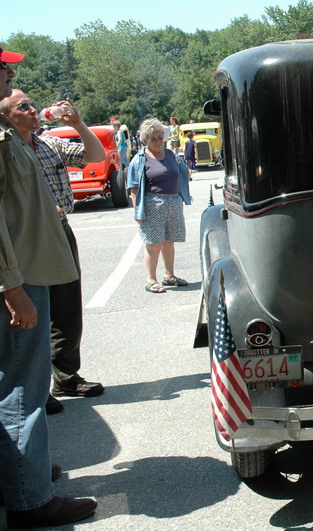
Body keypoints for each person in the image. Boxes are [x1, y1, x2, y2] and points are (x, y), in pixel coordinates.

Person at [0, 46, 97, 528]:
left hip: (30, 270)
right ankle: (29, 498)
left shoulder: (22, 139)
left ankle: (23, 474)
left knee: (22, 384)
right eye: (2, 69)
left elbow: (95, 156)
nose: (8, 73)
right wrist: (12, 288)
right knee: (23, 389)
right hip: (20, 278)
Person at [0, 89, 106, 416]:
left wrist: (78, 124)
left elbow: (95, 155)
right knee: (35, 311)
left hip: (59, 230)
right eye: (23, 106)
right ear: (6, 115)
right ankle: (37, 387)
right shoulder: (7, 149)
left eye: (32, 104)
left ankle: (66, 376)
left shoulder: (49, 144)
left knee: (67, 307)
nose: (33, 110)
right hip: (27, 238)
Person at [127, 118, 192, 293]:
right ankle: (151, 280)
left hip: (173, 202)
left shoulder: (171, 155)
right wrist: (137, 211)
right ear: (145, 140)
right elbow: (133, 187)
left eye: (159, 137)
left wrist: (182, 190)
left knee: (169, 242)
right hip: (152, 205)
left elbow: (184, 171)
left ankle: (169, 275)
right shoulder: (139, 160)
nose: (157, 142)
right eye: (153, 139)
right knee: (153, 244)